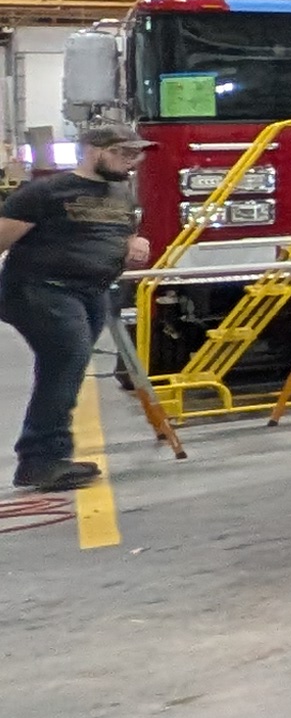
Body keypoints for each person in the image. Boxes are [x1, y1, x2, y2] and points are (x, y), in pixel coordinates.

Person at [2, 124, 148, 493]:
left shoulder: (121, 194)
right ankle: (41, 459)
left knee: (65, 366)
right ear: (93, 150)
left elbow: (123, 232)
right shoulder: (46, 192)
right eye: (123, 152)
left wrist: (135, 243)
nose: (132, 160)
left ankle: (45, 456)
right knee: (67, 358)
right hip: (40, 289)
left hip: (91, 291)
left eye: (136, 154)